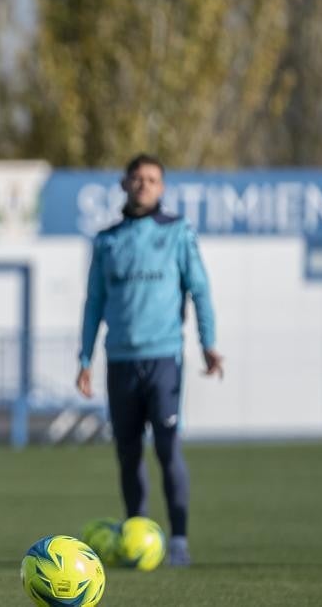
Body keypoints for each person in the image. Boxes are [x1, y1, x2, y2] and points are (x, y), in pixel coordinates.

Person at [75, 153, 223, 568]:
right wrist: (84, 358)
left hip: (163, 360)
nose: (143, 185)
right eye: (137, 178)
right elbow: (94, 304)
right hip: (120, 361)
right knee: (127, 453)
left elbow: (200, 289)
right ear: (124, 184)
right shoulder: (107, 240)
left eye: (152, 179)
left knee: (167, 448)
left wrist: (208, 343)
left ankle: (177, 540)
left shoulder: (177, 232)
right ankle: (137, 534)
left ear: (162, 187)